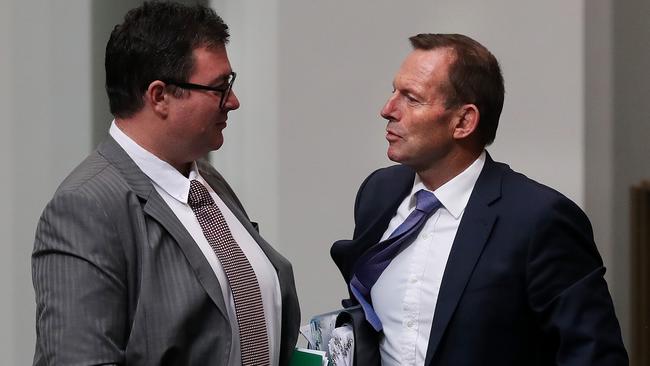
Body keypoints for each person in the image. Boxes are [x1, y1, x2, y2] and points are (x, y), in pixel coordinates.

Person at [330, 33, 628, 365]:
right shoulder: (378, 194)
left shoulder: (539, 220)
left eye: (411, 98)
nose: (387, 110)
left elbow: (595, 356)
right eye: (393, 91)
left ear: (463, 121)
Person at [31, 2, 299, 365]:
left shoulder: (205, 181)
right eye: (220, 87)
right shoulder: (85, 209)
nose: (232, 102)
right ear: (159, 96)